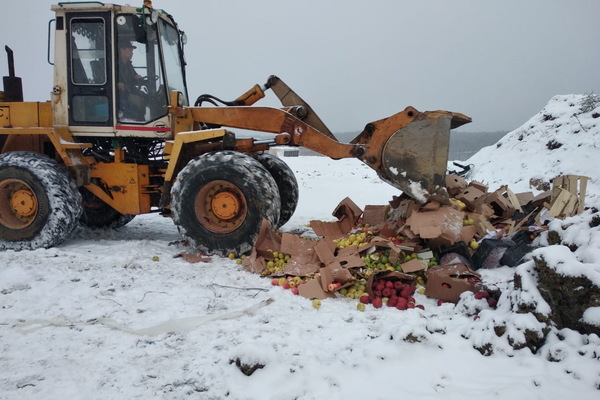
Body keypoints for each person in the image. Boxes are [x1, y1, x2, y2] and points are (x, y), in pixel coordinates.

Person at [117, 40, 145, 120]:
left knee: (144, 97)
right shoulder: (114, 64)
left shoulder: (128, 64)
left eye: (132, 51)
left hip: (129, 90)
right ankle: (135, 118)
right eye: (129, 50)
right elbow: (111, 80)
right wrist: (117, 84)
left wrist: (138, 77)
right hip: (120, 94)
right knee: (136, 105)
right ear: (122, 50)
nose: (132, 53)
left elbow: (134, 75)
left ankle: (141, 119)